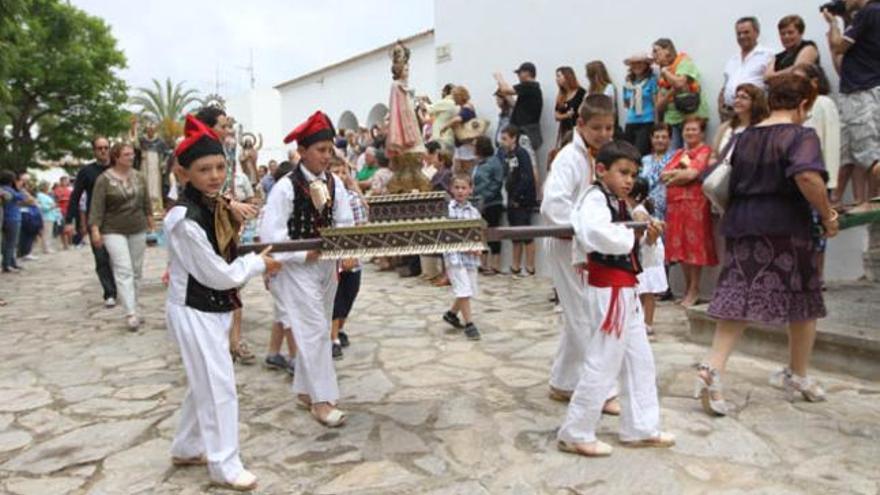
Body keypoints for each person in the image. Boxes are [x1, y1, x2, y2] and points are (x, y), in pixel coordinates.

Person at [696, 74, 839, 417]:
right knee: (804, 296)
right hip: (785, 226)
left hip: (743, 222)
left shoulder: (743, 136)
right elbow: (807, 176)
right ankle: (797, 374)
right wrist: (828, 214)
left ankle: (714, 369)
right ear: (803, 104)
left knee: (740, 295)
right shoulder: (800, 135)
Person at [165, 114, 280, 491]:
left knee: (205, 382)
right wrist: (257, 262)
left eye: (218, 166)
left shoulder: (214, 204)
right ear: (184, 174)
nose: (214, 175)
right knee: (219, 386)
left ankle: (186, 446)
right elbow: (219, 274)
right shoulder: (184, 220)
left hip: (210, 308)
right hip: (194, 308)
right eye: (204, 169)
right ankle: (224, 464)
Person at [557, 140, 673, 457]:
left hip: (625, 290)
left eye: (633, 175)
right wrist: (634, 234)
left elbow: (641, 257)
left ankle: (641, 427)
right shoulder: (594, 200)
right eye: (622, 172)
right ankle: (576, 430)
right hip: (609, 292)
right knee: (603, 361)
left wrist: (648, 237)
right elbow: (596, 234)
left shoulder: (620, 204)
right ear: (601, 170)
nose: (628, 180)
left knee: (640, 360)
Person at [259, 111, 354, 428]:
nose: (327, 156)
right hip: (296, 270)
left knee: (319, 324)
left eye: (330, 150)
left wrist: (345, 251)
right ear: (302, 151)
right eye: (321, 150)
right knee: (314, 331)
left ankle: (303, 389)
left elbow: (344, 221)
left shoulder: (335, 183)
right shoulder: (284, 188)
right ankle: (322, 400)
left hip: (327, 267)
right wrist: (303, 252)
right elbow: (272, 235)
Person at [542, 94, 620, 414]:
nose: (603, 134)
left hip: (587, 245)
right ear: (581, 125)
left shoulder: (601, 156)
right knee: (586, 315)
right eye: (597, 127)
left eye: (609, 127)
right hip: (568, 246)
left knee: (582, 313)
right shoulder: (568, 158)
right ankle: (600, 390)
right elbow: (553, 205)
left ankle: (563, 381)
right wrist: (586, 226)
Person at [89, 143, 154, 331]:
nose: (131, 157)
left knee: (136, 269)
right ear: (116, 157)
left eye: (132, 154)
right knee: (123, 268)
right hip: (113, 229)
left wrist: (150, 220)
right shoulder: (104, 179)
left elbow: (146, 201)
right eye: (126, 154)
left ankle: (134, 304)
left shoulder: (140, 177)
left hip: (137, 227)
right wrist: (95, 229)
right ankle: (130, 313)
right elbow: (97, 206)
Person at [824, 0, 880, 207]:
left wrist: (834, 25)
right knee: (851, 154)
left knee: (870, 156)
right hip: (854, 93)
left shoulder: (870, 12)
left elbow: (839, 46)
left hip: (862, 95)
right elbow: (840, 66)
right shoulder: (864, 20)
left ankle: (874, 203)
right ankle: (860, 201)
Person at [793, 63, 842, 285]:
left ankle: (817, 276)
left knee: (818, 230)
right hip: (796, 177)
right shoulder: (795, 107)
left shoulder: (824, 103)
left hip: (817, 175)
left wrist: (830, 180)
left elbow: (831, 143)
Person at [661, 116, 717, 307]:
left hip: (695, 205)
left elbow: (693, 174)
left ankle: (695, 289)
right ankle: (686, 288)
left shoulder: (704, 151)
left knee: (694, 248)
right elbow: (663, 175)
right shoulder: (678, 153)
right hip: (675, 205)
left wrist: (676, 176)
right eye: (687, 130)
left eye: (694, 130)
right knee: (681, 248)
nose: (690, 133)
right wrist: (679, 176)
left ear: (701, 132)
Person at [65, 137, 117, 307]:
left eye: (106, 147)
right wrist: (69, 220)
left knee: (120, 257)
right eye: (99, 148)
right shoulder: (86, 172)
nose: (103, 151)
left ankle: (123, 287)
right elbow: (76, 196)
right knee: (102, 257)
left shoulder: (118, 167)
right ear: (94, 151)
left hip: (118, 218)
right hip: (97, 219)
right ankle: (110, 292)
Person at [329, 157, 368, 359]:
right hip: (332, 257)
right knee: (335, 296)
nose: (340, 176)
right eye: (336, 172)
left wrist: (352, 251)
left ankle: (340, 328)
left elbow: (361, 225)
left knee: (350, 293)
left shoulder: (352, 198)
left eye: (343, 172)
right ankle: (332, 338)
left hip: (352, 256)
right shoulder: (324, 198)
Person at [441, 174, 483, 341]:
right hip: (454, 256)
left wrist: (477, 247)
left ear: (470, 190)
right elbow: (445, 233)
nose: (460, 191)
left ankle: (452, 314)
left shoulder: (474, 212)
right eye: (457, 187)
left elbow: (478, 233)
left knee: (469, 289)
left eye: (464, 188)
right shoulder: (447, 210)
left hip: (470, 257)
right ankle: (470, 324)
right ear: (451, 189)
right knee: (463, 288)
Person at [653, 38, 711, 149]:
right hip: (672, 120)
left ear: (667, 50)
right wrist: (672, 92)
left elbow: (679, 83)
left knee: (691, 155)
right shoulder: (661, 74)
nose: (654, 55)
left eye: (656, 51)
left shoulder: (684, 62)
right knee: (672, 156)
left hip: (691, 118)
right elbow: (659, 106)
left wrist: (665, 71)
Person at [629, 177, 668, 340]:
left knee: (646, 289)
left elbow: (646, 235)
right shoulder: (640, 209)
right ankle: (646, 323)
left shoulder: (638, 212)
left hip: (648, 252)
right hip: (650, 251)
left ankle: (645, 323)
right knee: (646, 290)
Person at [718, 17, 774, 122]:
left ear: (757, 33)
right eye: (738, 34)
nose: (742, 36)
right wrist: (721, 106)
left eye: (746, 32)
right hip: (729, 115)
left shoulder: (768, 55)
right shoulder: (732, 60)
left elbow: (772, 85)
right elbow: (725, 87)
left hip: (754, 115)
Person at [499, 125, 537, 276]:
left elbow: (527, 177)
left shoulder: (522, 154)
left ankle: (530, 266)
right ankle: (515, 265)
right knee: (515, 234)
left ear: (514, 138)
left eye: (505, 138)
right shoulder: (508, 155)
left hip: (522, 200)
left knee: (526, 233)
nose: (502, 142)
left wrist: (518, 196)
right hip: (511, 198)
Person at [472, 135, 505, 275]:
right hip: (479, 202)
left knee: (493, 233)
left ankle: (495, 264)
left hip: (492, 203)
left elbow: (497, 182)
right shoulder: (478, 163)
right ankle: (483, 263)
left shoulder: (494, 162)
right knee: (482, 233)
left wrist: (486, 197)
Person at [496, 62, 544, 155]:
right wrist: (505, 96)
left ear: (527, 73)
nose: (518, 76)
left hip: (526, 133)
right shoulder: (528, 90)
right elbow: (515, 105)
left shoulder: (530, 85)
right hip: (521, 132)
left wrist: (499, 78)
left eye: (519, 73)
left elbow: (506, 89)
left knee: (528, 160)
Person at [711, 83, 770, 155]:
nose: (737, 101)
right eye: (736, 97)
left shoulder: (763, 130)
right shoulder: (725, 127)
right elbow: (713, 154)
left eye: (743, 97)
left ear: (755, 102)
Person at [622, 54, 659, 156]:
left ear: (646, 65)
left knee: (640, 153)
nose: (636, 66)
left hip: (646, 121)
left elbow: (656, 103)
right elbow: (626, 103)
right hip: (631, 121)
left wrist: (657, 124)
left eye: (640, 63)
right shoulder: (628, 82)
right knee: (627, 153)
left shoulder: (652, 80)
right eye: (634, 63)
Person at [1, 171, 35, 273]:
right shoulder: (10, 191)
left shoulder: (3, 190)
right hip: (13, 218)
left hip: (4, 218)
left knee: (6, 242)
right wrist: (21, 188)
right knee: (11, 243)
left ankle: (11, 262)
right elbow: (29, 199)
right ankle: (7, 264)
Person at [640, 124, 674, 221]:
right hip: (647, 207)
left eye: (664, 137)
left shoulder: (675, 158)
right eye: (657, 137)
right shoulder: (644, 160)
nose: (660, 140)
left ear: (670, 139)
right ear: (651, 139)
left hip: (668, 206)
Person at [554, 67, 586, 148]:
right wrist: (566, 115)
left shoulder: (581, 92)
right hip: (565, 131)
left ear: (567, 76)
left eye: (559, 76)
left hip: (578, 130)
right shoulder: (561, 95)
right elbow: (556, 115)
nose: (556, 79)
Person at [428, 84, 458, 151]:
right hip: (451, 136)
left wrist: (422, 103)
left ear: (445, 92)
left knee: (440, 157)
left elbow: (429, 109)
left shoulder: (445, 102)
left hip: (441, 136)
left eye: (442, 91)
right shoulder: (456, 103)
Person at [36, 181, 60, 254]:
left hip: (51, 216)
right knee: (46, 233)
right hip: (46, 216)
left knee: (48, 232)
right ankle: (46, 248)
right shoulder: (40, 196)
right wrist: (52, 206)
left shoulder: (46, 195)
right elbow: (43, 207)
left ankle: (47, 247)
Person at [53, 176, 73, 249]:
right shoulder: (57, 190)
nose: (67, 182)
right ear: (61, 181)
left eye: (67, 181)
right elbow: (56, 199)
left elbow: (72, 199)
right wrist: (64, 199)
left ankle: (70, 243)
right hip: (60, 211)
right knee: (62, 228)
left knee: (70, 228)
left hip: (69, 210)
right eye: (65, 181)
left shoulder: (69, 190)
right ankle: (65, 245)